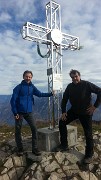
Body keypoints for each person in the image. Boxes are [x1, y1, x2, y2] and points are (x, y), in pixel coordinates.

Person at [59, 69, 101, 163]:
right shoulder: (70, 86)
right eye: (72, 77)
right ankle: (64, 145)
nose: (74, 79)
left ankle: (89, 155)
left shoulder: (86, 84)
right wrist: (64, 112)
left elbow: (100, 92)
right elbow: (64, 99)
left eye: (76, 76)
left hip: (86, 112)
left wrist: (94, 106)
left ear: (79, 76)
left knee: (88, 133)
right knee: (62, 122)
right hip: (74, 111)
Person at [10, 70, 53, 156]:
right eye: (26, 76)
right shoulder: (18, 88)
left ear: (31, 77)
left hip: (29, 112)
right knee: (18, 130)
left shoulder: (32, 87)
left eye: (29, 76)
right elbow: (13, 101)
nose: (28, 78)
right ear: (23, 77)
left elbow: (40, 94)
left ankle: (35, 148)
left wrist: (51, 94)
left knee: (34, 129)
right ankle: (20, 149)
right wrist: (15, 113)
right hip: (19, 112)